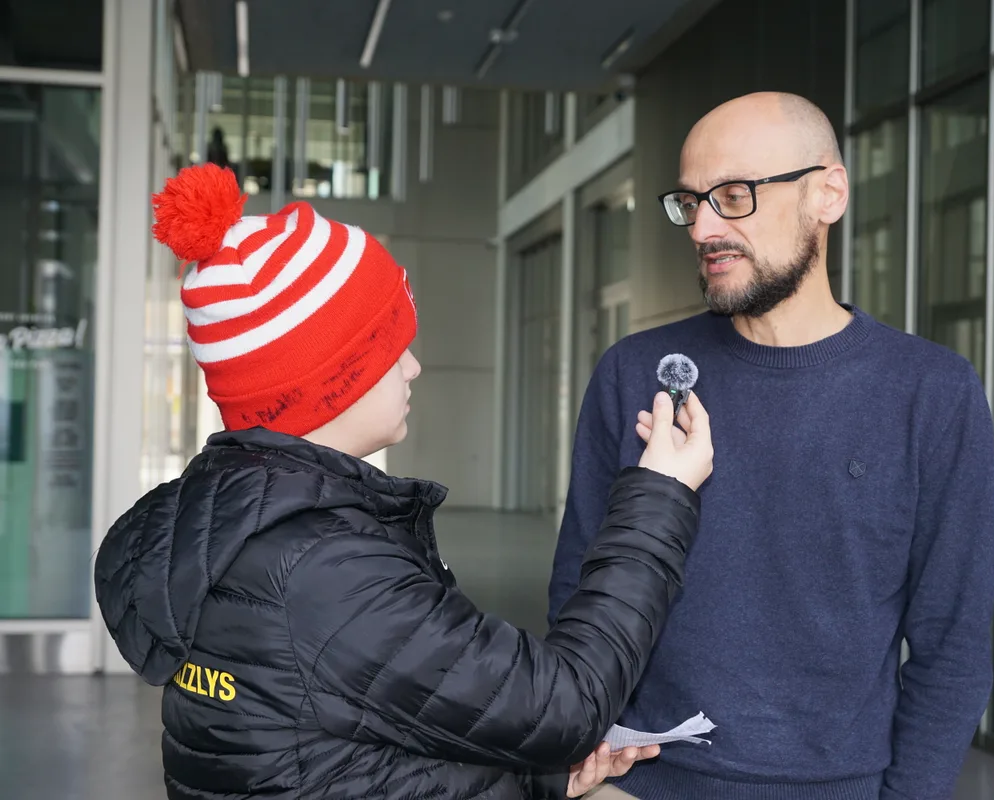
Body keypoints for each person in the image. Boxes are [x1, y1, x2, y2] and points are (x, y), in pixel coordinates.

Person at [93, 163, 715, 800]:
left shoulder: (231, 533)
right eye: (392, 346)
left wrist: (540, 778)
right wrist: (660, 494)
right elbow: (564, 706)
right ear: (333, 382)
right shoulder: (327, 569)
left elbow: (351, 758)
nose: (414, 367)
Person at [548, 92, 994, 800]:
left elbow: (954, 648)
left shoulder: (931, 392)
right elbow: (579, 595)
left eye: (733, 196)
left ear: (828, 193)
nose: (703, 227)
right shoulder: (636, 373)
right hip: (637, 785)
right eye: (690, 202)